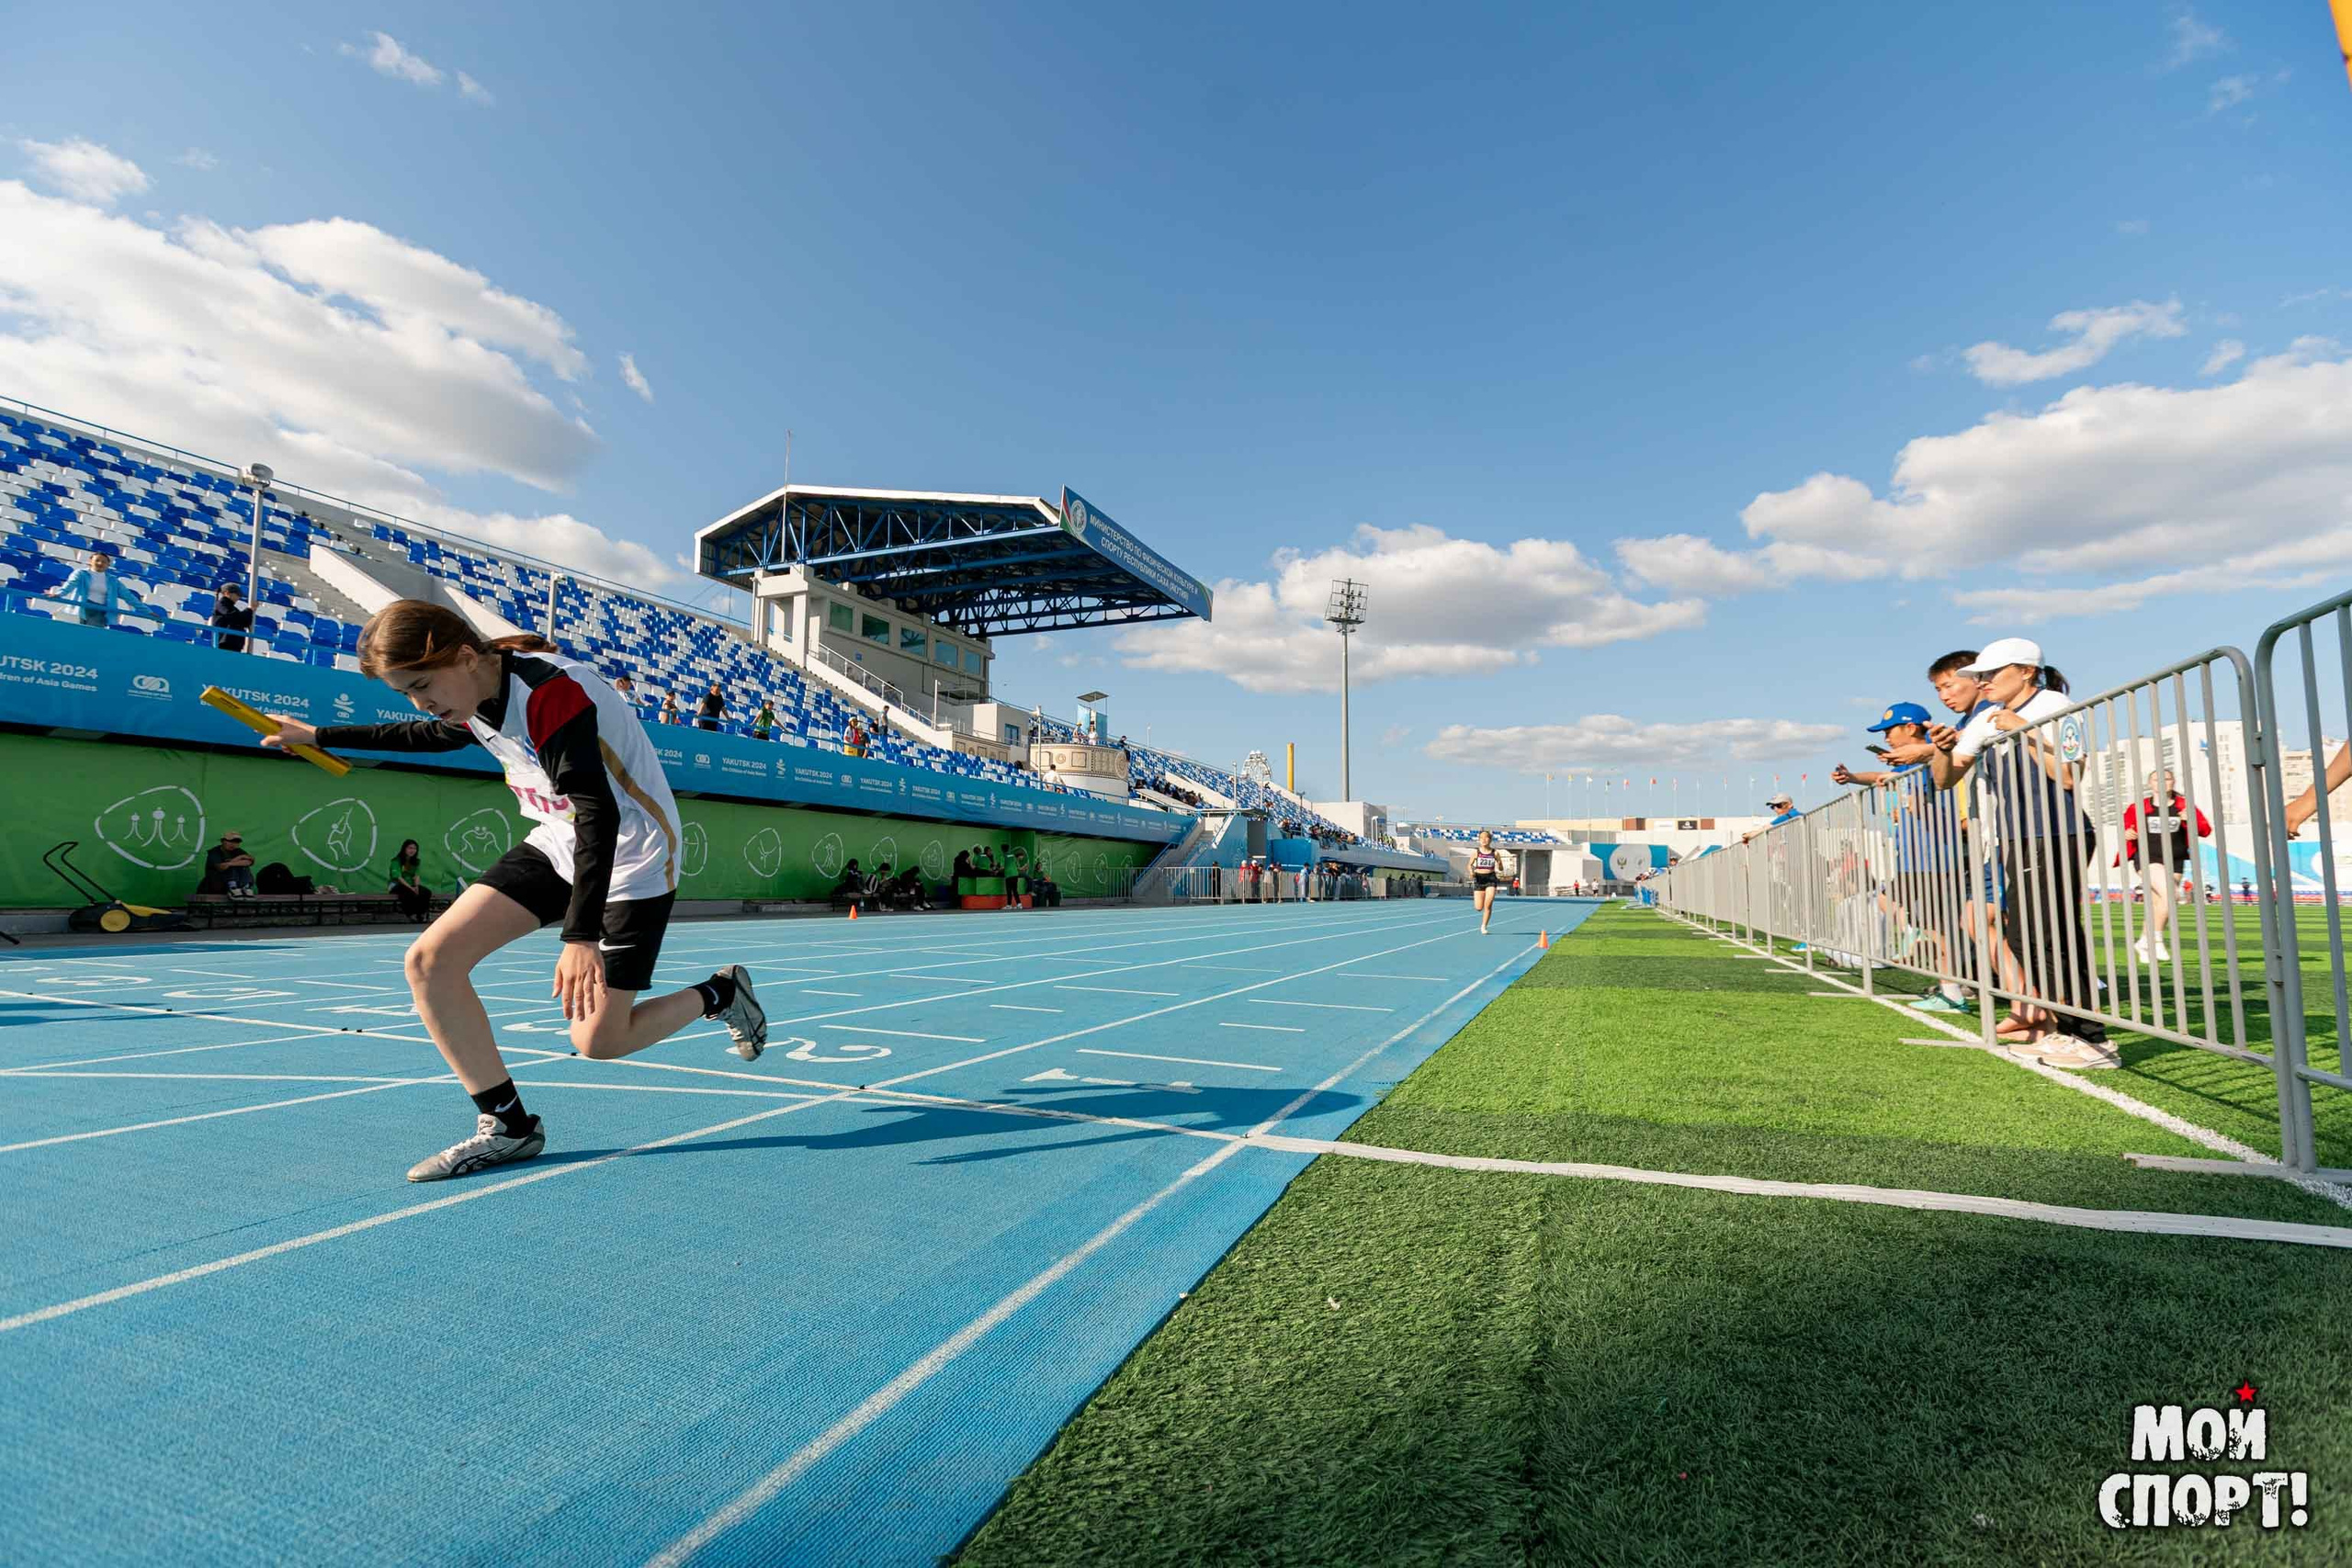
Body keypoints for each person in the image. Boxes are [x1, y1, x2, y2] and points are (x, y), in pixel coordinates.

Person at [259, 600, 768, 1182]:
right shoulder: (473, 693)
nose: (421, 702)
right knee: (430, 961)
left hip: (631, 853)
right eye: (407, 692)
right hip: (558, 840)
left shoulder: (552, 694)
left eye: (422, 685)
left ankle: (720, 993)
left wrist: (581, 937)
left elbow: (598, 813)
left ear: (468, 656)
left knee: (600, 1040)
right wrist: (320, 734)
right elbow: (433, 734)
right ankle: (509, 1127)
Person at [1928, 637, 2110, 1067]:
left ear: (2026, 671)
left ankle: (2090, 1038)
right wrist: (1940, 747)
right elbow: (1945, 779)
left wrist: (2023, 734)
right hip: (2015, 839)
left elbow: (2067, 778)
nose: (1984, 682)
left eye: (1992, 674)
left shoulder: (2055, 706)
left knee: (2054, 935)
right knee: (2022, 936)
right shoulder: (1987, 716)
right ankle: (2056, 1029)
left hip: (2057, 832)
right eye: (1980, 676)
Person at [2117, 768, 2211, 963]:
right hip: (2147, 857)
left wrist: (2190, 820)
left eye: (2166, 778)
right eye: (2156, 779)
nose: (2161, 782)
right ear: (2150, 784)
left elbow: (2205, 830)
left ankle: (2143, 942)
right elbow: (2127, 829)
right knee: (2172, 894)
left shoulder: (2184, 805)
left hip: (2175, 859)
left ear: (2173, 782)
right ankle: (2156, 940)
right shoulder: (2138, 807)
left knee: (2158, 904)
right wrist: (2128, 833)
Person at [49, 551, 153, 631]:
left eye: (104, 562)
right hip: (81, 608)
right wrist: (59, 594)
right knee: (75, 632)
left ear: (108, 565)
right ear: (90, 561)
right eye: (97, 560)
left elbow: (129, 597)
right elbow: (70, 585)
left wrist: (148, 611)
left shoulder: (113, 580)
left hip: (100, 612)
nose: (100, 563)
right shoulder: (81, 573)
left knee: (92, 636)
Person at [388, 838, 432, 922]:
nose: (412, 850)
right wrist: (411, 888)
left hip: (411, 885)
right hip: (397, 885)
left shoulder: (416, 862)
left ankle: (421, 914)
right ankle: (411, 914)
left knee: (425, 892)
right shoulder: (396, 861)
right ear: (404, 849)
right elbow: (399, 878)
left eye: (414, 848)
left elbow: (416, 876)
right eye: (410, 848)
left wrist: (416, 887)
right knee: (408, 891)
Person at [202, 830, 256, 898]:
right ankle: (233, 888)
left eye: (236, 842)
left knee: (242, 866)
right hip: (217, 883)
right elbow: (221, 867)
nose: (233, 844)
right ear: (222, 841)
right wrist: (235, 862)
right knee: (232, 867)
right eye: (230, 841)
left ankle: (246, 887)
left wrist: (234, 860)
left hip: (237, 884)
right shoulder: (215, 852)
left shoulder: (238, 851)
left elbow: (249, 862)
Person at [1468, 829, 1502, 934]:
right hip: (1479, 879)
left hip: (1491, 878)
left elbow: (1501, 868)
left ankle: (1484, 926)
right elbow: (1469, 865)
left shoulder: (1495, 853)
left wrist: (1500, 863)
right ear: (1479, 840)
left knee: (1488, 904)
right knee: (1479, 907)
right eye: (1481, 838)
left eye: (1486, 837)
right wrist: (1471, 872)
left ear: (1490, 840)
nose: (1484, 840)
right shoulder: (1476, 852)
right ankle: (1483, 920)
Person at [210, 583, 254, 651]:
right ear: (227, 593)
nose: (238, 597)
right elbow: (233, 616)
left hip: (234, 642)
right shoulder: (221, 604)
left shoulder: (233, 608)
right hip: (225, 642)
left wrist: (250, 610)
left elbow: (245, 622)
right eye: (237, 594)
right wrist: (249, 610)